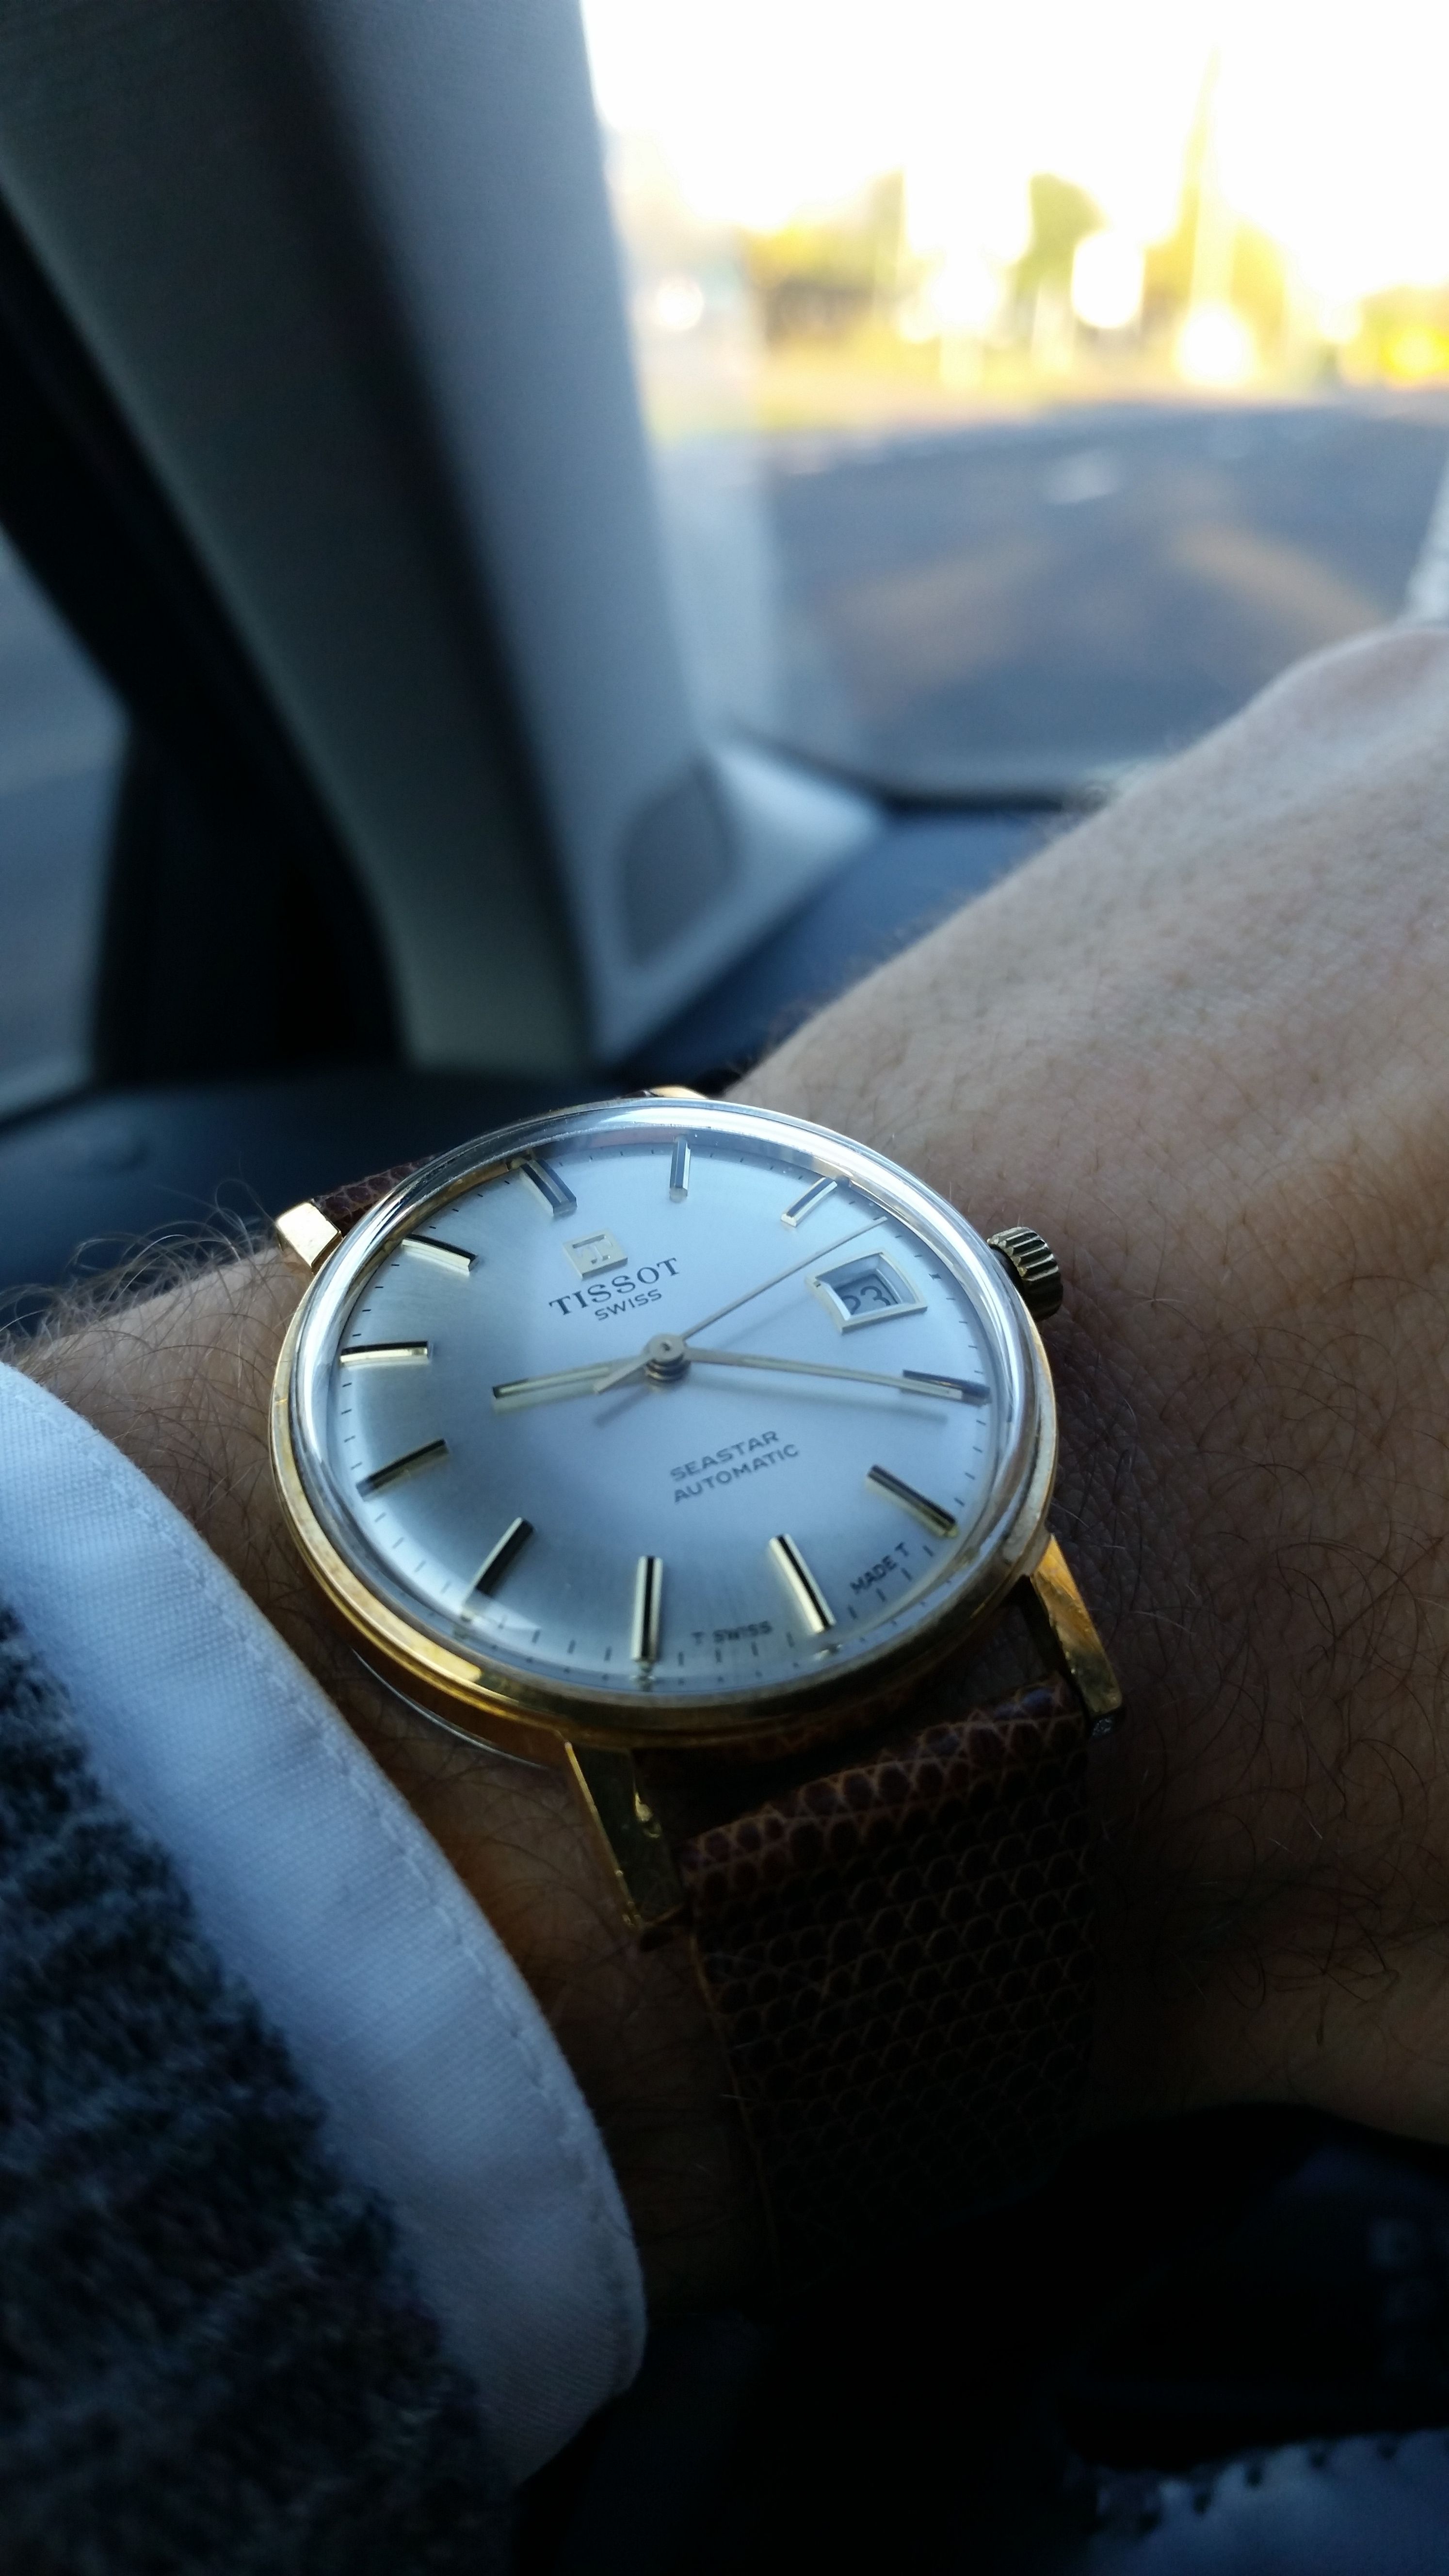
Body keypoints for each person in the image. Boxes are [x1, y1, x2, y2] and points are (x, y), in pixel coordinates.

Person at [5, 622, 1449, 2560]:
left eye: (677, 1338)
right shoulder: (626, 1756)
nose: (666, 1358)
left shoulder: (990, 1520)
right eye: (640, 1352)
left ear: (1008, 1276)